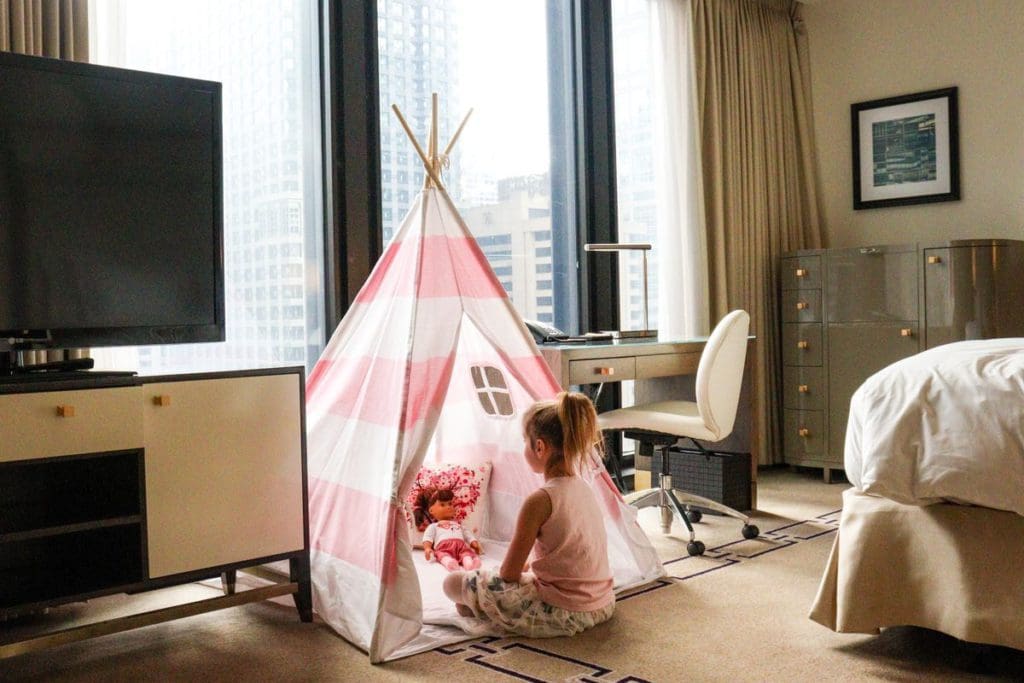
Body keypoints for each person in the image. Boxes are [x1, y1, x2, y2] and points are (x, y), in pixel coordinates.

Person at [442, 391, 615, 637]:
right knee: (477, 594)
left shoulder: (540, 500)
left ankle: (479, 607)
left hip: (562, 611)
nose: (524, 448)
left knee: (452, 583)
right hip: (602, 604)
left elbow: (508, 574)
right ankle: (478, 606)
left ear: (540, 447)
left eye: (525, 441)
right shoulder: (584, 488)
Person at [422, 488, 482, 571]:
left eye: (450, 504)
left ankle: (469, 564)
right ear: (431, 510)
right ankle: (449, 563)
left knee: (466, 553)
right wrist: (427, 548)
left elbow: (468, 535)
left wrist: (474, 543)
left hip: (461, 546)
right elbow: (427, 537)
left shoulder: (458, 525)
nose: (448, 507)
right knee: (441, 554)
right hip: (443, 547)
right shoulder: (434, 526)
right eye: (442, 505)